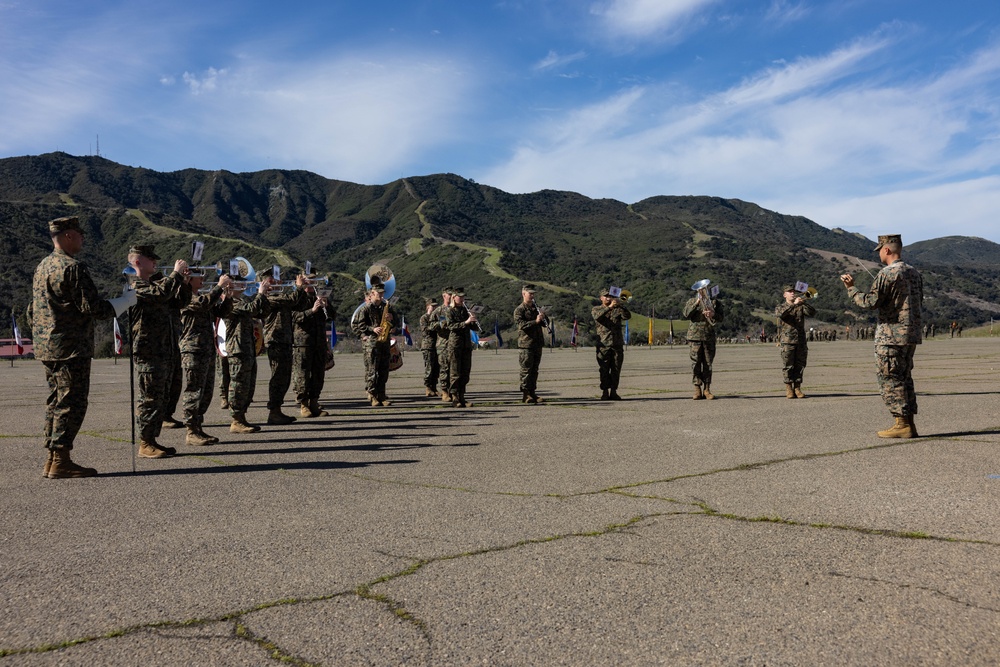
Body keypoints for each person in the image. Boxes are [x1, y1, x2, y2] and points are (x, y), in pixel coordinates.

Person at [30, 216, 132, 478]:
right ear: (67, 236)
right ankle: (61, 459)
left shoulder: (43, 266)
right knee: (71, 403)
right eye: (79, 233)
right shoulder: (73, 268)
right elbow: (94, 309)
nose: (83, 238)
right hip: (71, 347)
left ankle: (53, 458)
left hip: (48, 346)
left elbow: (33, 310)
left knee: (56, 401)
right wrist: (126, 301)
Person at [841, 234, 923, 438]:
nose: (878, 254)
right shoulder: (914, 273)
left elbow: (870, 302)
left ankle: (902, 424)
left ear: (886, 250)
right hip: (910, 334)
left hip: (891, 336)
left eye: (879, 250)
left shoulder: (887, 273)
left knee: (890, 378)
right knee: (904, 378)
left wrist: (852, 289)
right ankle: (908, 423)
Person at [128, 245, 191, 458]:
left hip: (165, 350)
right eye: (150, 259)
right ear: (137, 262)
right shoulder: (135, 286)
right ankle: (145, 443)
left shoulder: (156, 285)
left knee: (161, 398)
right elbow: (161, 293)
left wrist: (183, 282)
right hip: (149, 352)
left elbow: (179, 302)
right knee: (150, 398)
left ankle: (152, 440)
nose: (155, 262)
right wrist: (175, 273)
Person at [178, 271, 233, 446]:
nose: (202, 278)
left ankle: (198, 427)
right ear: (189, 279)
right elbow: (203, 304)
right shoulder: (185, 296)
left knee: (206, 392)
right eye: (198, 276)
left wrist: (228, 297)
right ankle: (191, 431)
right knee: (194, 391)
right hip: (193, 350)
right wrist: (219, 286)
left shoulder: (201, 296)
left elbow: (220, 312)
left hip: (206, 349)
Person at [260, 269, 311, 425]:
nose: (277, 282)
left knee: (284, 378)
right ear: (265, 283)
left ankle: (277, 411)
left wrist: (303, 291)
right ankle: (273, 411)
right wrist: (299, 288)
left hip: (285, 340)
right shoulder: (269, 298)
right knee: (278, 377)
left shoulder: (280, 297)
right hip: (275, 341)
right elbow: (291, 300)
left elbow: (299, 304)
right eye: (273, 280)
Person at [223, 277, 273, 432]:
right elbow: (251, 308)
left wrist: (264, 297)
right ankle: (236, 419)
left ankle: (242, 417)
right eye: (237, 282)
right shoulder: (230, 303)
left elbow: (260, 312)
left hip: (247, 348)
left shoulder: (240, 301)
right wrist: (260, 294)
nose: (242, 284)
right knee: (238, 385)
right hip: (237, 349)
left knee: (248, 386)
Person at [351, 285, 399, 406]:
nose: (381, 295)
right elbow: (359, 324)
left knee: (383, 370)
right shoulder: (365, 308)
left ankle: (382, 395)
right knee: (372, 370)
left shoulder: (387, 307)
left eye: (382, 293)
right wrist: (372, 329)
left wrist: (391, 319)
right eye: (378, 293)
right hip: (372, 343)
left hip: (384, 342)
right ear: (372, 293)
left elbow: (396, 323)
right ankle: (372, 396)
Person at [292, 287, 331, 417]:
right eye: (309, 280)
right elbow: (294, 318)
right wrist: (312, 310)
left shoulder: (319, 296)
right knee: (302, 375)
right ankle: (303, 404)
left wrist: (327, 305)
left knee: (318, 374)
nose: (312, 284)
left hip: (319, 342)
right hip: (303, 342)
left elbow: (332, 317)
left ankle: (314, 402)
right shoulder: (297, 298)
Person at [775, 285, 816, 399]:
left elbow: (812, 313)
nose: (793, 293)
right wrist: (794, 304)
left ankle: (797, 388)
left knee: (800, 365)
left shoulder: (800, 306)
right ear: (785, 295)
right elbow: (781, 314)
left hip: (801, 341)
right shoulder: (781, 307)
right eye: (790, 292)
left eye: (794, 291)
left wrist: (804, 303)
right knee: (788, 365)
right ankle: (789, 388)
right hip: (787, 341)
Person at [683, 286, 724, 399]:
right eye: (701, 290)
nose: (702, 291)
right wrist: (697, 302)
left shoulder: (715, 303)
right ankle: (697, 389)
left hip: (708, 336)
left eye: (705, 289)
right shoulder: (691, 301)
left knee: (708, 364)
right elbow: (686, 314)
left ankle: (707, 389)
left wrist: (713, 314)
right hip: (694, 337)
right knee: (695, 363)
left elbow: (721, 318)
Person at [591, 288, 631, 400]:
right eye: (606, 296)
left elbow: (627, 316)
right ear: (601, 298)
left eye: (610, 296)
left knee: (616, 369)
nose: (609, 298)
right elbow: (597, 317)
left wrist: (620, 305)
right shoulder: (597, 309)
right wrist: (609, 307)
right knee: (604, 369)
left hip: (617, 343)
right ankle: (604, 391)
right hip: (604, 344)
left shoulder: (617, 309)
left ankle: (614, 391)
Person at [513, 284, 547, 403]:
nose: (532, 296)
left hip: (537, 343)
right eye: (530, 294)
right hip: (526, 344)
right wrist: (535, 321)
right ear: (523, 294)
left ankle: (533, 392)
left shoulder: (535, 308)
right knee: (526, 370)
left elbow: (544, 323)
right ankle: (526, 393)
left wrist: (543, 317)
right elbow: (522, 325)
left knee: (534, 370)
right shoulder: (519, 309)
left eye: (533, 294)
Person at [444, 287, 477, 407]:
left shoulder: (465, 310)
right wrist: (466, 322)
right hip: (455, 345)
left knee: (465, 372)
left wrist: (473, 320)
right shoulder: (449, 310)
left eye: (463, 297)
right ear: (454, 297)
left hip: (466, 344)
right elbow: (451, 326)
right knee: (455, 372)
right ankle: (455, 397)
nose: (462, 299)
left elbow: (473, 328)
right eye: (460, 297)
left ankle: (462, 396)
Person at [418, 297, 441, 397]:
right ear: (428, 307)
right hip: (428, 345)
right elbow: (425, 331)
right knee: (429, 367)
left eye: (436, 306)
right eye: (433, 306)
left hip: (437, 345)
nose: (434, 308)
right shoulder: (424, 318)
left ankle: (434, 387)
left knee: (437, 367)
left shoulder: (438, 318)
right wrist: (436, 326)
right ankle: (428, 387)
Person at [436, 287, 454, 401]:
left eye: (453, 295)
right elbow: (430, 325)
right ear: (444, 296)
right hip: (443, 344)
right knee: (444, 369)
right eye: (449, 294)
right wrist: (441, 325)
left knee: (454, 370)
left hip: (455, 344)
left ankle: (453, 391)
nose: (451, 296)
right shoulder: (439, 311)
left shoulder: (455, 309)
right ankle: (444, 391)